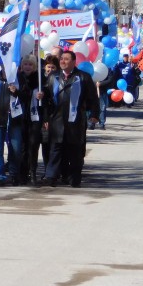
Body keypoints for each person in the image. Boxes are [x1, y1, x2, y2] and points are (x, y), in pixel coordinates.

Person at [42, 51, 100, 187]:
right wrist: (42, 99)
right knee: (55, 149)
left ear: (74, 62)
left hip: (76, 121)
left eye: (66, 59)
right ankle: (51, 177)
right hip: (57, 120)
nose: (63, 61)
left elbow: (93, 98)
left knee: (75, 151)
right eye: (61, 59)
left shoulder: (83, 77)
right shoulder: (53, 77)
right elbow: (47, 99)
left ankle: (74, 178)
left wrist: (94, 114)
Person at [0, 68, 27, 186]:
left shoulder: (20, 79)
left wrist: (16, 92)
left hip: (15, 120)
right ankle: (0, 176)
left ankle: (14, 174)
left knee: (16, 149)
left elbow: (26, 96)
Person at [18, 55, 45, 186]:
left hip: (35, 117)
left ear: (34, 67)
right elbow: (20, 97)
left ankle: (33, 172)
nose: (27, 67)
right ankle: (23, 173)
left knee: (33, 145)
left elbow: (48, 96)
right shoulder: (18, 78)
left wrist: (42, 95)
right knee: (23, 147)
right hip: (21, 117)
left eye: (30, 65)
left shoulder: (40, 79)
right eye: (25, 64)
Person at [95, 65, 115, 130]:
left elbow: (110, 79)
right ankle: (90, 123)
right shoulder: (92, 67)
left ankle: (101, 124)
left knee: (102, 108)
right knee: (91, 108)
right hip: (92, 91)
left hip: (102, 91)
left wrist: (101, 83)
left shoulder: (107, 69)